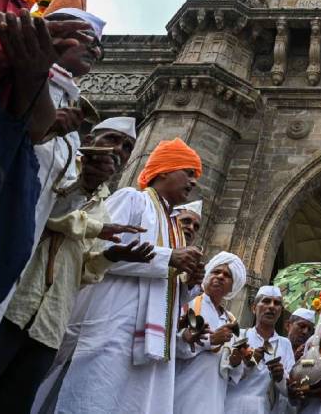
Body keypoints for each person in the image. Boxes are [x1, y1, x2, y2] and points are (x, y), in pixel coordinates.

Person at [0, 117, 150, 412]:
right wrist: (86, 193)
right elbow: (45, 213)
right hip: (13, 305)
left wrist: (113, 256)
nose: (119, 149)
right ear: (91, 138)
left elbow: (84, 271)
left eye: (127, 147)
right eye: (112, 138)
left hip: (49, 325)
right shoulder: (58, 168)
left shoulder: (103, 203)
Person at [44, 138, 205, 413]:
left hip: (150, 344)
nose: (192, 182)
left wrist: (188, 282)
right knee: (93, 398)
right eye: (188, 172)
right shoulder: (133, 199)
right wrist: (169, 258)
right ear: (165, 170)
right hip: (114, 322)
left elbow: (163, 293)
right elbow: (100, 251)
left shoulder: (175, 230)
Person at [0, 0, 91, 327]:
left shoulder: (24, 28)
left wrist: (33, 67)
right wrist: (6, 26)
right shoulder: (18, 23)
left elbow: (36, 124)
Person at [174, 252, 247, 414]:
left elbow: (233, 375)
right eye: (216, 271)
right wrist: (211, 340)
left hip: (215, 399)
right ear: (207, 275)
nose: (220, 276)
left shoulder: (231, 321)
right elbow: (173, 348)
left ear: (232, 286)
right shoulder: (189, 303)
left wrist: (235, 362)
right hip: (184, 393)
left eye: (227, 275)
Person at [224, 285, 295, 414]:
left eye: (277, 303)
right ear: (254, 308)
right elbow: (222, 375)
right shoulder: (238, 336)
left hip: (265, 408)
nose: (272, 306)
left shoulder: (285, 344)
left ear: (280, 312)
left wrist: (280, 377)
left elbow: (290, 390)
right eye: (266, 301)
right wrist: (244, 364)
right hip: (232, 406)